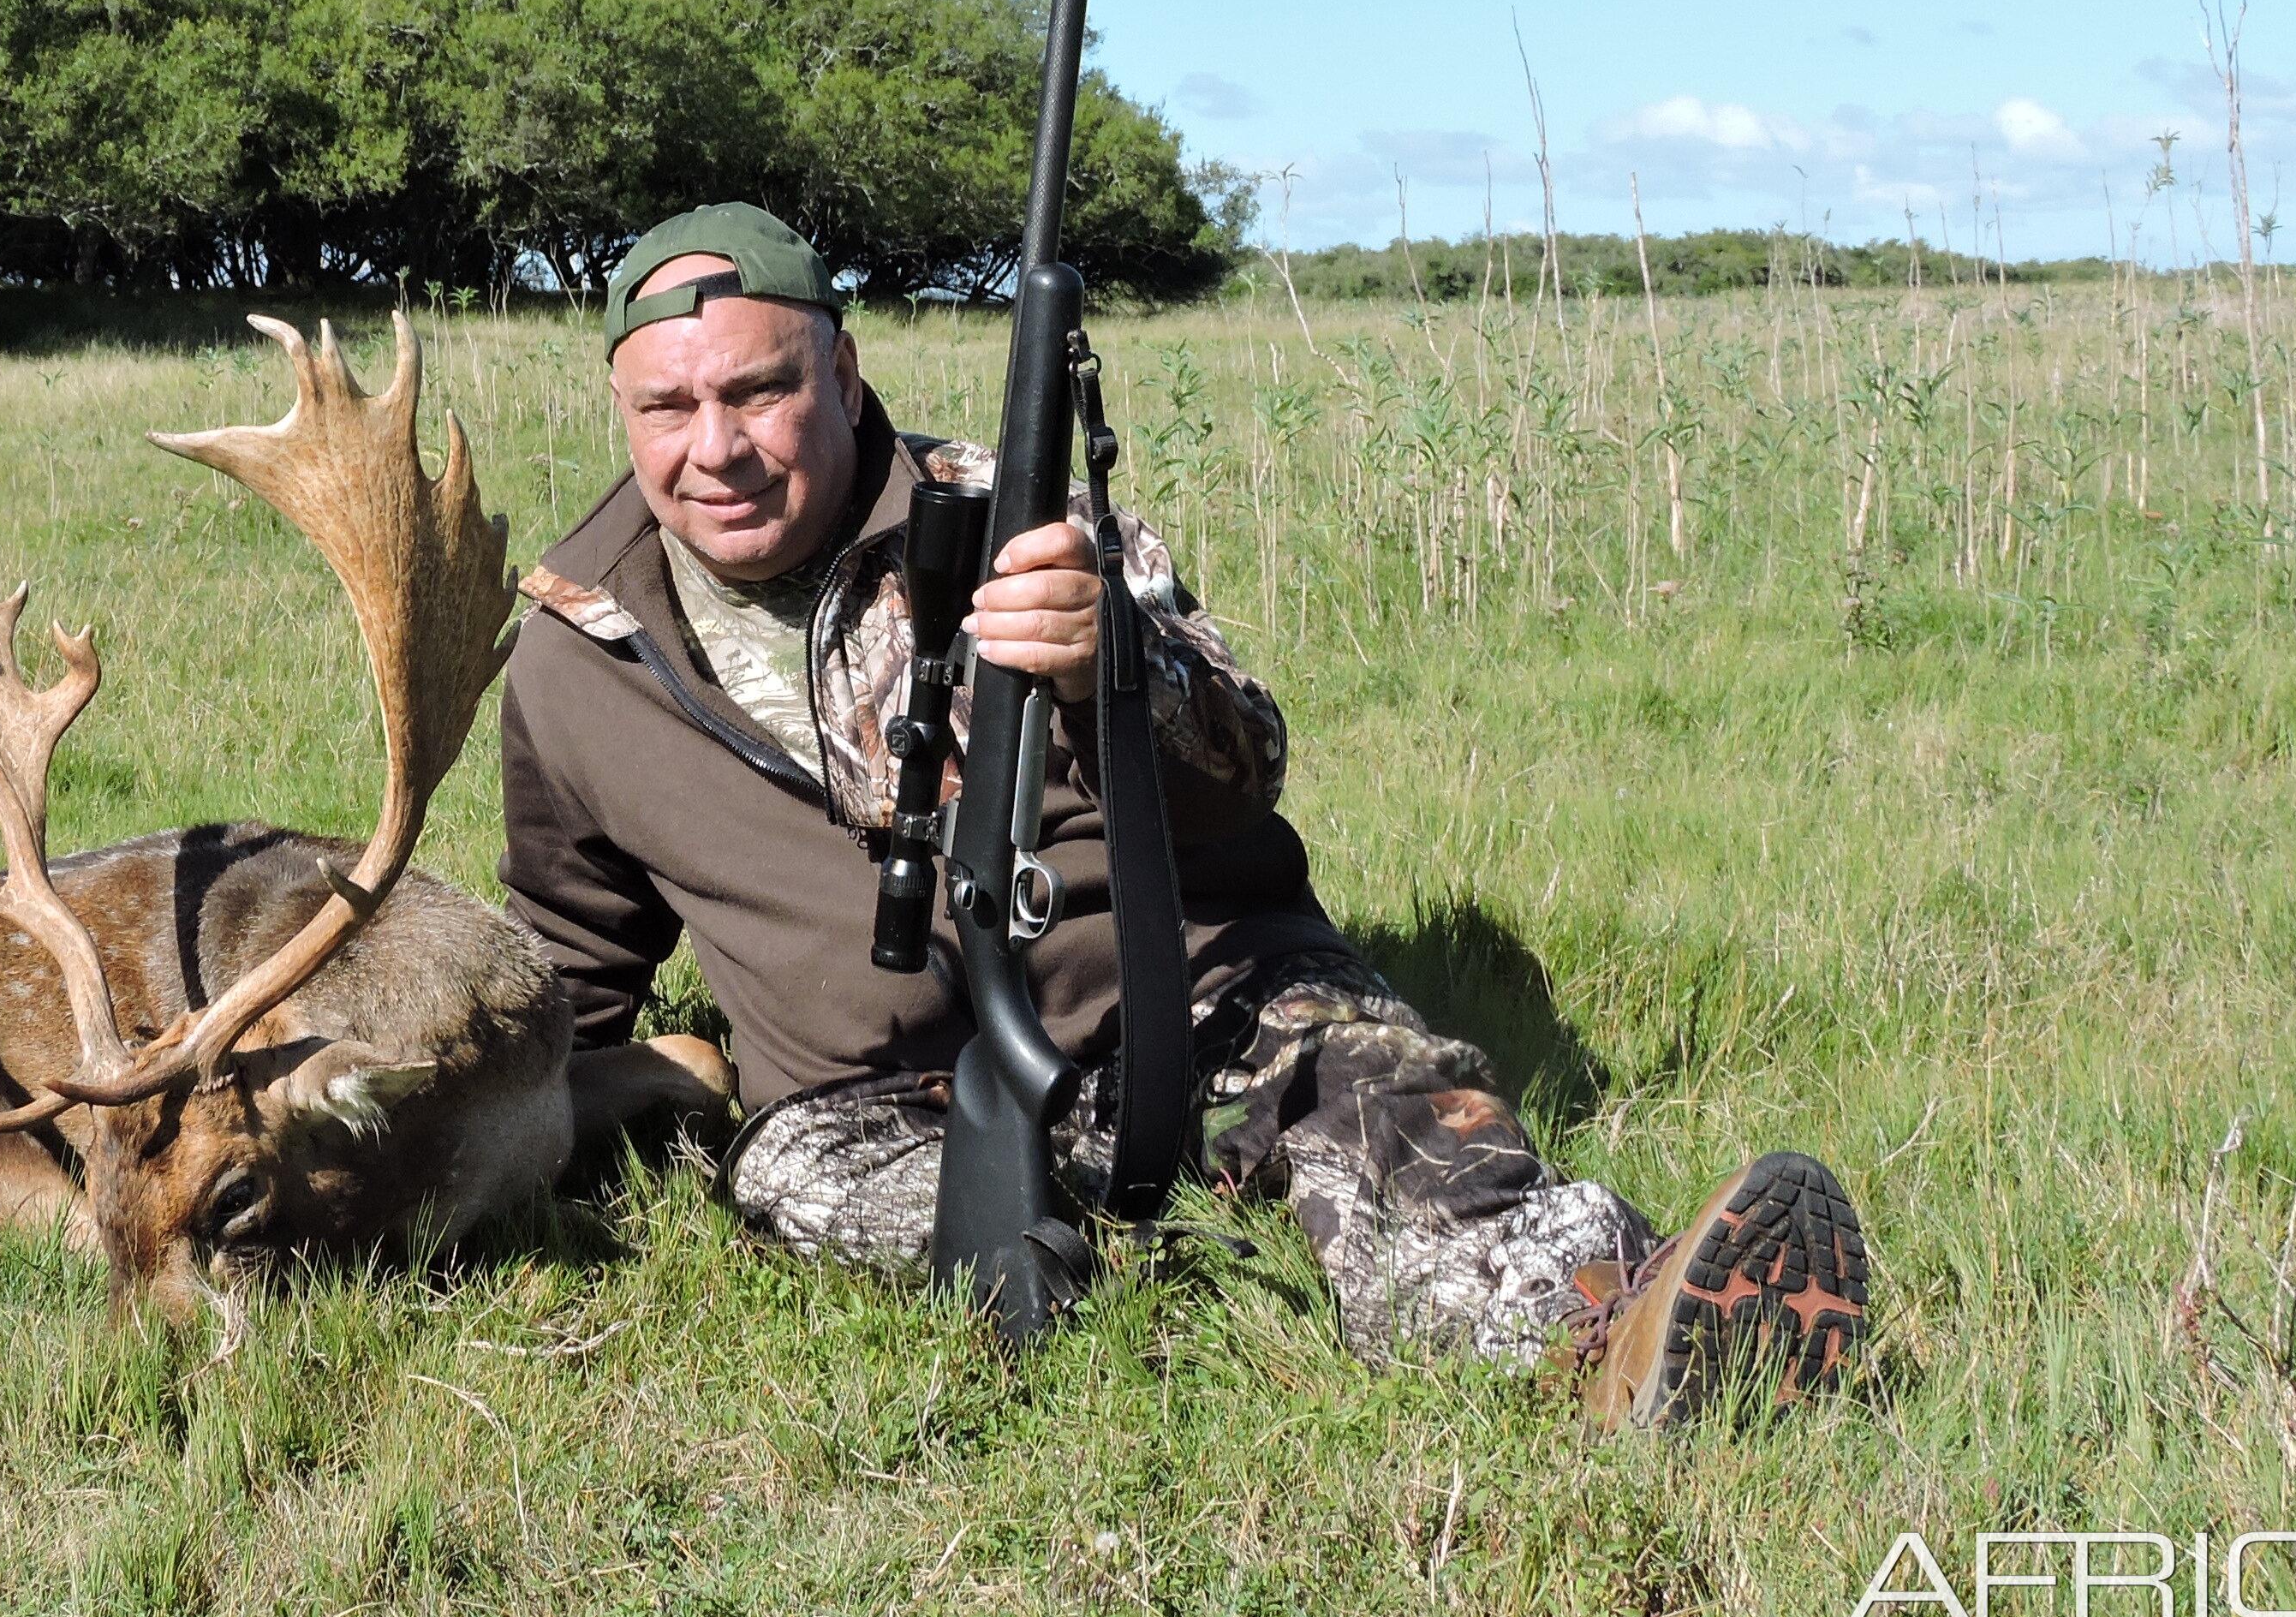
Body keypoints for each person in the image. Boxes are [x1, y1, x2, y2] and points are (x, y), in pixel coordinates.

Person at [498, 203, 1870, 1425]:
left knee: (1373, 1103)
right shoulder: (578, 652)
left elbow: (1244, 770)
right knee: (801, 1179)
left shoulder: (1025, 523)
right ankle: (1204, 1250)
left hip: (1187, 997)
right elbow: (567, 960)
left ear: (843, 375)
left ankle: (1630, 1331)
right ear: (620, 412)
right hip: (869, 1106)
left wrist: (1118, 669)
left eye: (758, 391)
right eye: (668, 409)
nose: (716, 450)